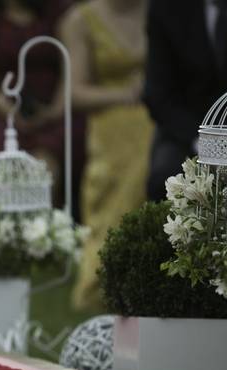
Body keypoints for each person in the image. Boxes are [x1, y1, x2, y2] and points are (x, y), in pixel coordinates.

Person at [61, 0, 150, 311]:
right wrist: (126, 94)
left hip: (159, 120)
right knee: (111, 209)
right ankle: (98, 292)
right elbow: (74, 92)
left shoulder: (161, 11)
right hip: (110, 123)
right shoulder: (80, 19)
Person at [0, 0, 75, 206]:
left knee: (42, 173)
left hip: (54, 115)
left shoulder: (59, 12)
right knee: (6, 178)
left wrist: (54, 111)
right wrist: (12, 112)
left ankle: (45, 229)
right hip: (4, 115)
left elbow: (72, 69)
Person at [144, 0, 227, 201]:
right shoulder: (167, 8)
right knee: (164, 177)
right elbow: (158, 96)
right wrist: (202, 141)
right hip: (186, 132)